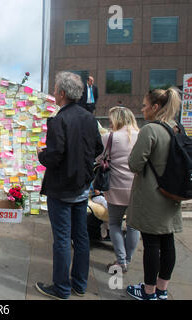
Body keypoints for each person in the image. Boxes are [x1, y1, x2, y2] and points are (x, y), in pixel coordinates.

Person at [35, 72, 104, 300]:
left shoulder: (59, 120)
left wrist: (41, 155)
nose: (54, 93)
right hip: (82, 187)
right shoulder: (89, 118)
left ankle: (62, 288)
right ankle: (80, 284)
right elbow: (97, 148)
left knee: (63, 240)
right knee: (81, 237)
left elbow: (54, 156)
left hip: (62, 189)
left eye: (55, 90)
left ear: (62, 94)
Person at [126, 88, 183, 300]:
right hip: (173, 194)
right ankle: (162, 289)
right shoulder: (177, 128)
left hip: (152, 196)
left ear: (155, 107)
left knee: (151, 244)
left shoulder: (150, 130)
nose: (142, 109)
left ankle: (148, 292)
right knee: (168, 242)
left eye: (144, 105)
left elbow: (134, 164)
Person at [96, 106, 140, 273]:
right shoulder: (141, 135)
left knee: (114, 223)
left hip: (115, 187)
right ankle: (128, 259)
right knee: (133, 226)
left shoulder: (109, 137)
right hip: (136, 188)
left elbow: (100, 158)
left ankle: (121, 261)